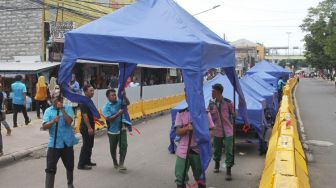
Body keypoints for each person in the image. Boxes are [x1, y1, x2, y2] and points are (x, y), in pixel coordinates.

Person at [42, 93, 78, 188]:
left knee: (70, 166)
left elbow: (70, 122)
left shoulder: (68, 108)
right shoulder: (48, 111)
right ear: (51, 99)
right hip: (54, 144)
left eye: (60, 99)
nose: (58, 101)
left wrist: (62, 109)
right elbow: (44, 126)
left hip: (67, 143)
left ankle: (70, 184)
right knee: (50, 168)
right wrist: (53, 121)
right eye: (55, 99)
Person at [174, 105, 214, 188]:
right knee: (180, 176)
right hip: (183, 150)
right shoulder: (181, 113)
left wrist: (200, 133)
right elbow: (178, 131)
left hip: (199, 150)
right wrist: (187, 128)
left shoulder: (205, 113)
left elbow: (212, 131)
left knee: (200, 178)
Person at [208, 83, 235, 181]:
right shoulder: (211, 104)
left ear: (218, 92)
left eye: (213, 91)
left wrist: (234, 114)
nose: (212, 92)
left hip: (228, 131)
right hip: (217, 131)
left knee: (229, 151)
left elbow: (233, 114)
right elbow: (208, 117)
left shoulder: (228, 103)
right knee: (217, 149)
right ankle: (217, 164)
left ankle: (228, 170)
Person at [102, 89, 131, 172]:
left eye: (115, 95)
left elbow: (127, 103)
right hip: (112, 130)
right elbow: (109, 119)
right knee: (113, 148)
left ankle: (121, 164)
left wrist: (124, 96)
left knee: (124, 145)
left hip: (122, 128)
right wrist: (119, 113)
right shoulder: (106, 107)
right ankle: (115, 162)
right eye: (112, 95)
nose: (114, 96)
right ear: (108, 97)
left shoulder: (119, 102)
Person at [78, 85, 96, 170]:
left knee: (90, 144)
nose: (92, 92)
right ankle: (81, 164)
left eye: (93, 90)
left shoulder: (89, 101)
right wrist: (89, 127)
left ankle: (87, 161)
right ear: (85, 92)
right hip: (85, 127)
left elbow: (91, 113)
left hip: (91, 125)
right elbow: (85, 116)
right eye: (90, 91)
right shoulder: (83, 102)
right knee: (86, 145)